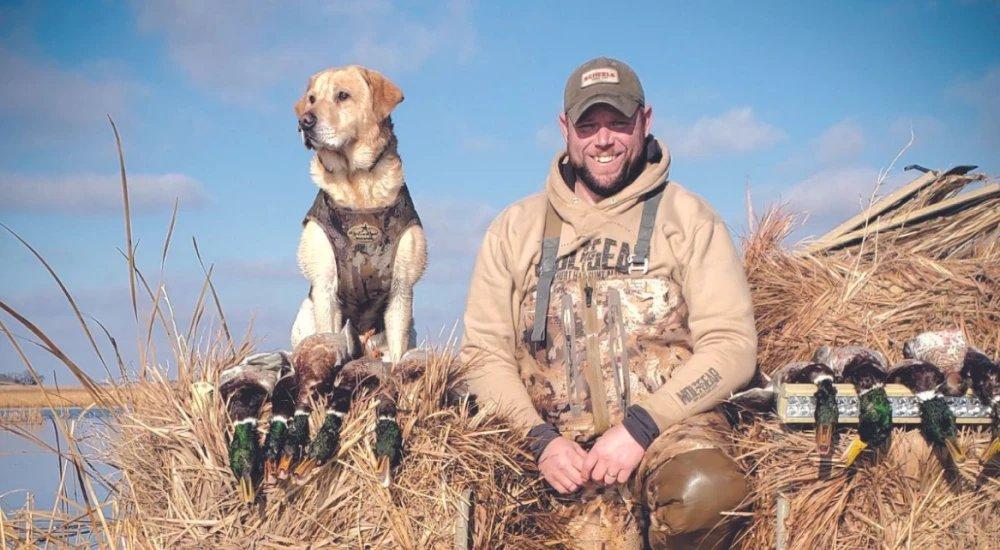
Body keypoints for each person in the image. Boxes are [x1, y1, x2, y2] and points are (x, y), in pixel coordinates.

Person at [459, 57, 757, 548]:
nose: (603, 140)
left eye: (618, 123)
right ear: (565, 129)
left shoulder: (689, 219)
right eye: (588, 125)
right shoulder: (514, 229)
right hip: (554, 452)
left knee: (706, 492)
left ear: (645, 121)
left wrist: (643, 426)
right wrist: (540, 442)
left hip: (668, 433)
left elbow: (732, 346)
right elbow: (484, 354)